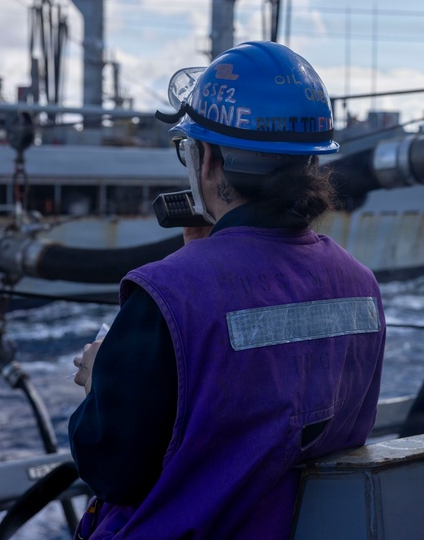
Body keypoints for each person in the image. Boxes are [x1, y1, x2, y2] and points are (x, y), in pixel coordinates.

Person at [68, 41, 386, 539]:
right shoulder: (361, 285)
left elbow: (110, 467)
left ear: (209, 159)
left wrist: (97, 384)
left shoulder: (168, 292)